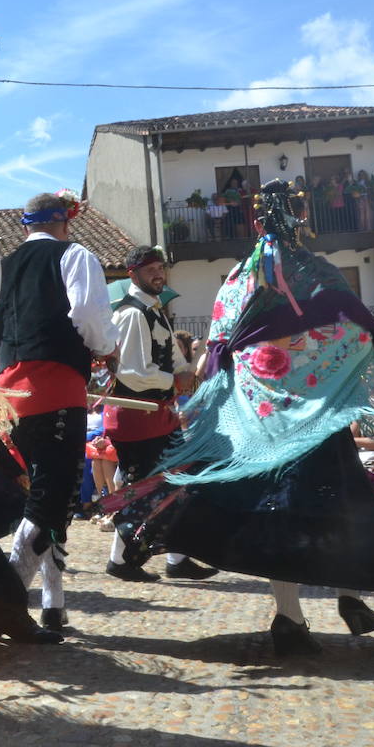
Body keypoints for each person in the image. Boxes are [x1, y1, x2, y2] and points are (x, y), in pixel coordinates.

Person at [110, 180, 374, 655]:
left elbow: (219, 349)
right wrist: (330, 377)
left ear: (256, 223)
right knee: (339, 504)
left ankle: (289, 617)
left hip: (264, 425)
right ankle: (349, 595)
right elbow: (363, 333)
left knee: (275, 516)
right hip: (320, 420)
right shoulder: (321, 272)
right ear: (303, 219)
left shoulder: (239, 279)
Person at [0, 191, 118, 634]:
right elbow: (87, 312)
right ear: (64, 223)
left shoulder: (1, 267)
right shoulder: (75, 254)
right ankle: (4, 597)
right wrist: (105, 349)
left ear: (26, 225)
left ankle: (53, 602)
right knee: (50, 500)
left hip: (8, 396)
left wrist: (8, 368)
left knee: (41, 498)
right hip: (57, 389)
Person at [101, 247, 215, 584]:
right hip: (137, 415)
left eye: (160, 267)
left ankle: (177, 558)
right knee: (147, 490)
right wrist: (173, 380)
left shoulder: (155, 310)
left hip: (157, 414)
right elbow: (133, 372)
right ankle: (120, 560)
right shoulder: (133, 314)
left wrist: (186, 372)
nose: (158, 273)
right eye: (150, 268)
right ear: (132, 274)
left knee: (178, 482)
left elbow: (171, 358)